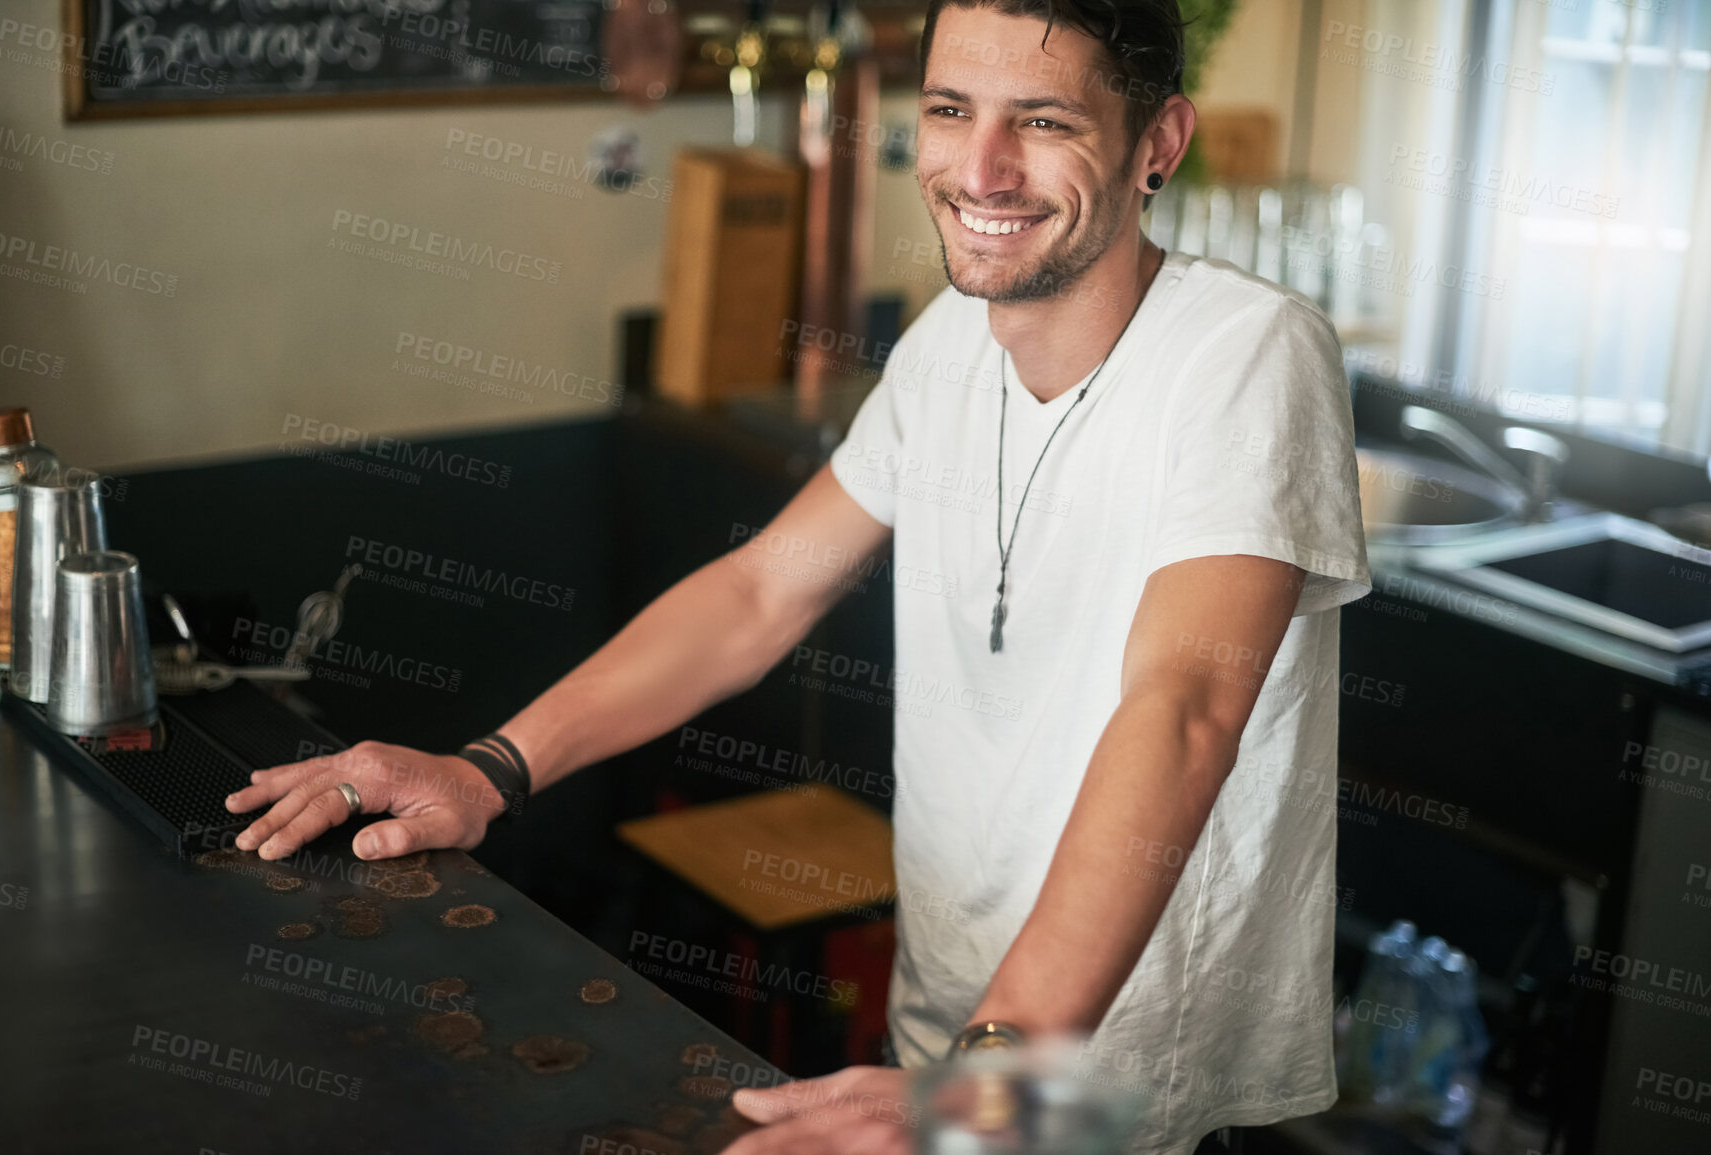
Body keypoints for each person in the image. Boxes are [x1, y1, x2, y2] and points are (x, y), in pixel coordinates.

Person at [226, 1, 1371, 1151]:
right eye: (949, 110)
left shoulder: (1247, 353)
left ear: (1157, 144)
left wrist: (992, 1084)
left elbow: (1185, 707)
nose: (981, 167)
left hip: (1103, 1093)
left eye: (1044, 120)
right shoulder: (946, 350)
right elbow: (763, 591)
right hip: (948, 1057)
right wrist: (489, 769)